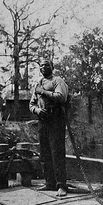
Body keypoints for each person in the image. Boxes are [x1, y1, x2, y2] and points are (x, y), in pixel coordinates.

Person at [29, 58, 69, 197]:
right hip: (43, 121)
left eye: (46, 65)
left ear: (52, 67)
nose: (43, 67)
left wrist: (44, 92)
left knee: (57, 153)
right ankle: (49, 183)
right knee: (45, 153)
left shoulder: (57, 81)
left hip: (56, 120)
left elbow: (61, 96)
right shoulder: (38, 84)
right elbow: (31, 104)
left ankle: (61, 186)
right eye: (41, 66)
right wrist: (37, 111)